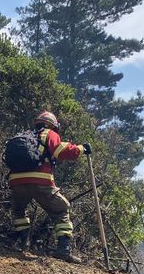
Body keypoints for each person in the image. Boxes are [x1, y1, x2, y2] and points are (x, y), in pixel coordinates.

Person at [8, 111, 90, 263]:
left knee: (18, 210)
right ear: (53, 125)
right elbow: (61, 152)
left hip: (16, 180)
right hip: (40, 180)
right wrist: (81, 149)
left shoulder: (25, 135)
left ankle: (20, 243)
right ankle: (63, 250)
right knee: (61, 209)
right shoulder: (49, 133)